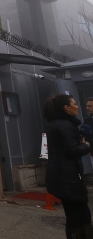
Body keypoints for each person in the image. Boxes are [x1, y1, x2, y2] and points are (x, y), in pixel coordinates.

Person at [44, 94, 93, 239]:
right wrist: (85, 145)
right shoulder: (66, 125)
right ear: (66, 107)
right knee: (78, 215)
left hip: (62, 175)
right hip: (67, 176)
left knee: (75, 213)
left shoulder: (56, 124)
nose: (78, 107)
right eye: (75, 104)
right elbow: (73, 150)